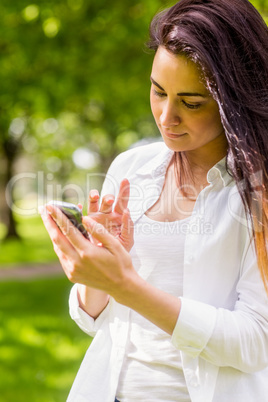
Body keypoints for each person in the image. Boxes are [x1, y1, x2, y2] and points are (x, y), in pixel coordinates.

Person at [40, 0, 268, 401]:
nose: (166, 116)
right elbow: (97, 321)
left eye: (191, 102)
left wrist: (126, 284)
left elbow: (255, 341)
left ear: (233, 99)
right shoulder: (132, 167)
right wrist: (102, 271)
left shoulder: (257, 193)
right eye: (158, 91)